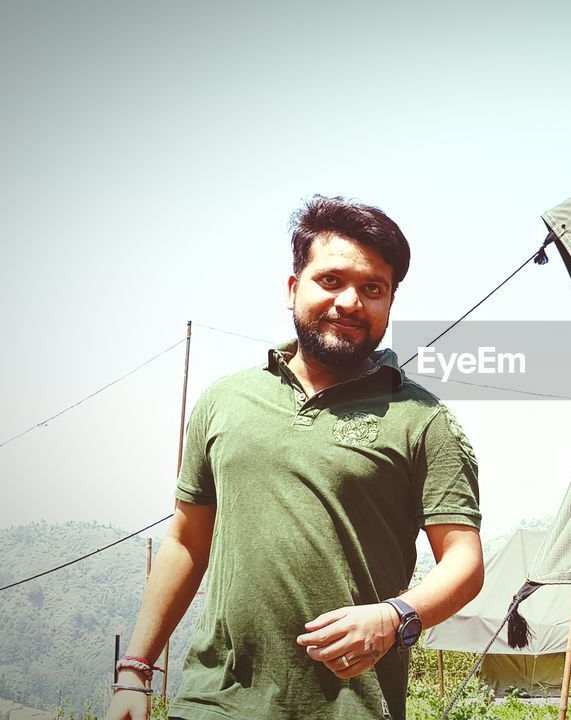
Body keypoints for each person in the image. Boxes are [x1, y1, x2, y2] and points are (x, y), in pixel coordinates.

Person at [106, 196, 484, 720]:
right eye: (330, 280)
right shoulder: (226, 400)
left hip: (354, 708)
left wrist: (393, 616)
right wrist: (135, 672)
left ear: (390, 304)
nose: (350, 301)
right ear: (293, 289)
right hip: (212, 703)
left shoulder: (423, 418)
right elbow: (187, 543)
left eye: (373, 288)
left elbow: (464, 562)